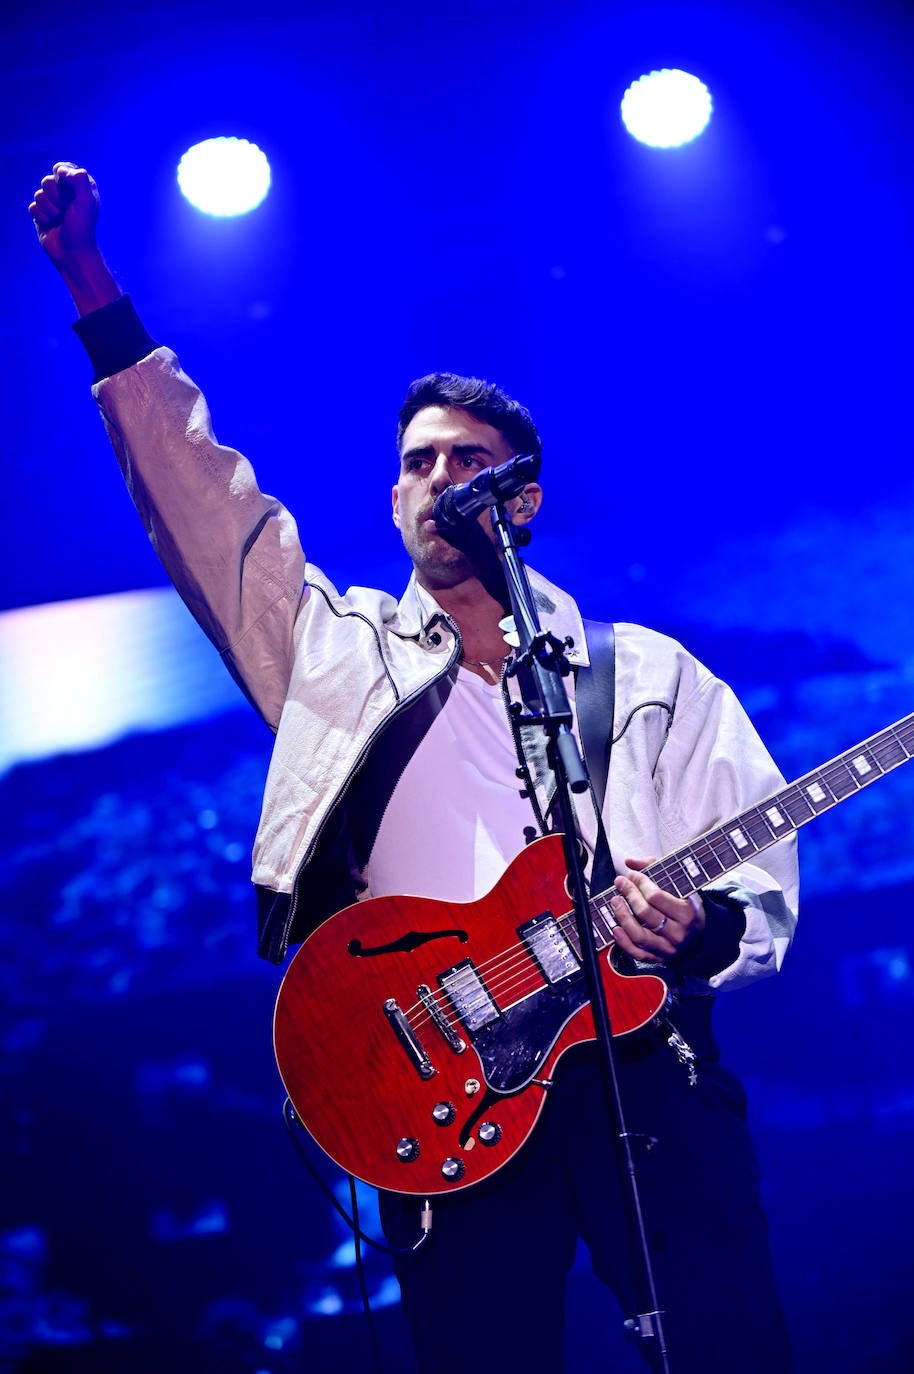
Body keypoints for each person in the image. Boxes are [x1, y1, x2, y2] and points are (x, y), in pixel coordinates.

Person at [31, 162, 799, 1374]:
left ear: (524, 498)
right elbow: (202, 504)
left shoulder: (644, 673)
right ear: (393, 497)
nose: (442, 480)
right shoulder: (332, 656)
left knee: (725, 1345)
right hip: (441, 1080)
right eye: (421, 462)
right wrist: (92, 286)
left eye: (470, 460)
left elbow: (754, 866)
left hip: (643, 1065)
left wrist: (692, 929)